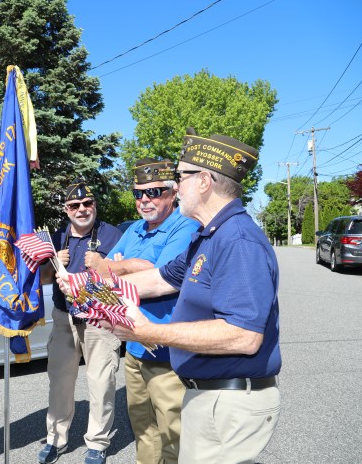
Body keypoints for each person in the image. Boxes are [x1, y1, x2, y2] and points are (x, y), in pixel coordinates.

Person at [102, 129, 282, 463]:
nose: (176, 186)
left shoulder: (238, 240)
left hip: (229, 403)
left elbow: (243, 336)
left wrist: (148, 332)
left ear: (203, 181)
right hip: (206, 395)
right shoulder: (208, 237)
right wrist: (91, 291)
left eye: (180, 178)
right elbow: (159, 280)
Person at [96, 159, 199, 464]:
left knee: (173, 432)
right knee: (143, 429)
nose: (144, 201)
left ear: (173, 192)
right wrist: (126, 268)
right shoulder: (136, 229)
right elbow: (101, 273)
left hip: (167, 350)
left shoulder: (186, 226)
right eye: (138, 194)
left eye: (153, 192)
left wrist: (115, 266)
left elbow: (159, 279)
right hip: (135, 347)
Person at [38, 179, 122, 464]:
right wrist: (52, 262)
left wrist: (102, 265)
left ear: (95, 205)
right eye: (75, 205)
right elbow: (43, 280)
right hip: (64, 318)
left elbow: (124, 278)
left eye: (88, 204)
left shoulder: (112, 235)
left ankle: (97, 443)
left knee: (101, 383)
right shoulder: (57, 236)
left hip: (99, 319)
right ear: (66, 209)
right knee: (59, 381)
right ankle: (56, 439)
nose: (82, 209)